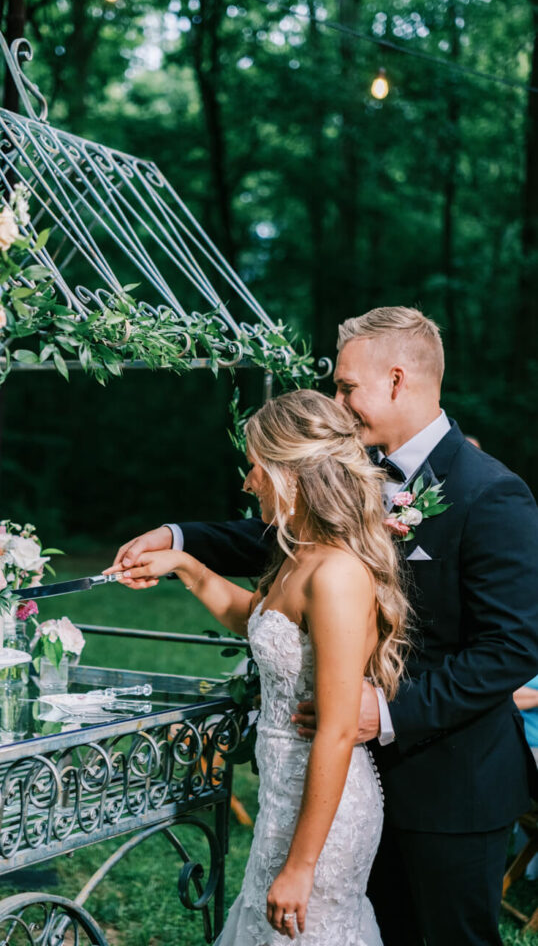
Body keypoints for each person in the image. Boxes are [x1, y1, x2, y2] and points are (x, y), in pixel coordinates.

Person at [113, 307, 538, 946]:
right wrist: (179, 541)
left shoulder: (490, 493)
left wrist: (385, 715)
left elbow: (511, 648)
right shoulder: (350, 474)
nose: (337, 402)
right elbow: (275, 537)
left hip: (449, 782)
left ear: (397, 380)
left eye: (346, 387)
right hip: (343, 783)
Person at [106, 389, 410, 944]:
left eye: (255, 467)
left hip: (325, 816)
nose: (248, 482)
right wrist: (185, 565)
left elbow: (339, 730)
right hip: (284, 798)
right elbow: (257, 617)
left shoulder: (336, 573)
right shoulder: (302, 555)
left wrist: (302, 865)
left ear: (288, 473)